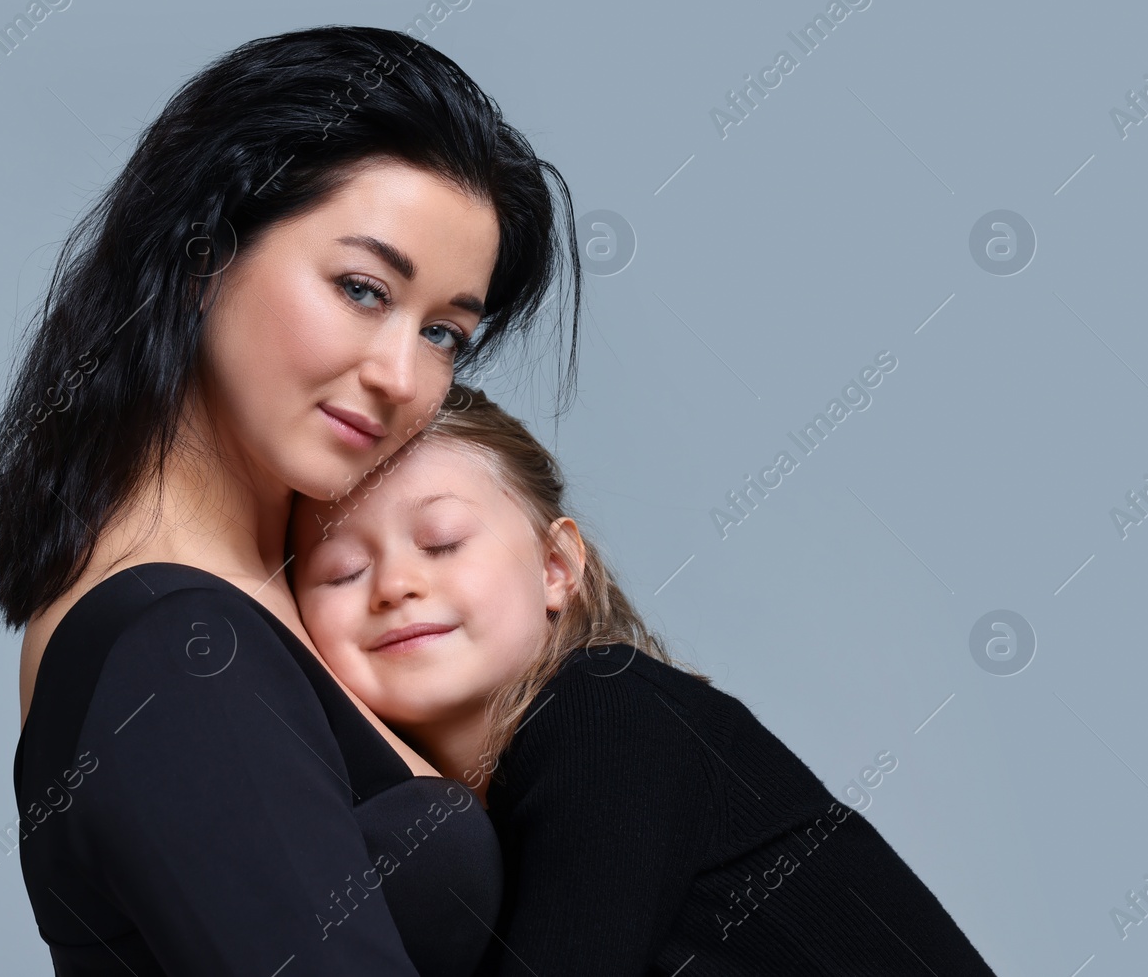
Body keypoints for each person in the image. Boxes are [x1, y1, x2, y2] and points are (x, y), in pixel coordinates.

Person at [0, 25, 586, 975]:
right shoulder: (176, 650)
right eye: (364, 288)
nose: (401, 376)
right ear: (202, 251)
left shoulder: (299, 601)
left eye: (447, 334)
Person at [287, 384, 1000, 975]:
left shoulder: (609, 708)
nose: (396, 585)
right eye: (341, 571)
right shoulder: (468, 827)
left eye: (441, 541)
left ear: (557, 567)